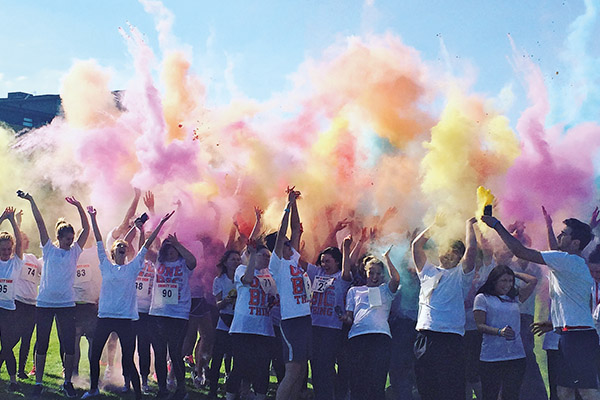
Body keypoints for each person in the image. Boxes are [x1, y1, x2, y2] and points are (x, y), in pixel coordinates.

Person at [481, 210, 599, 400]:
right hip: (569, 334)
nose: (560, 235)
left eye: (564, 234)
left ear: (575, 243)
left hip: (579, 337)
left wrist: (496, 224)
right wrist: (555, 324)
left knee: (588, 392)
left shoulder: (567, 261)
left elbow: (520, 252)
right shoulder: (569, 262)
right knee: (564, 391)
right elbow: (577, 304)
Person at [81, 206, 172, 399]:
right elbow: (98, 240)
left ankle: (137, 393)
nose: (122, 249)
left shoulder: (133, 267)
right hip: (105, 317)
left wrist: (161, 223)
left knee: (129, 360)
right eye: (119, 248)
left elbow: (146, 245)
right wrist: (92, 217)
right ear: (113, 253)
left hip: (126, 319)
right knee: (95, 355)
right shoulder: (105, 265)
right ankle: (93, 390)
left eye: (124, 248)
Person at [19, 192, 90, 398]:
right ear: (59, 238)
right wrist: (32, 200)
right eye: (68, 239)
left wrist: (79, 206)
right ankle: (38, 382)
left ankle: (67, 382)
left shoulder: (75, 251)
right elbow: (40, 222)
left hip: (66, 304)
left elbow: (86, 228)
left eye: (72, 239)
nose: (71, 241)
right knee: (41, 343)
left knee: (68, 344)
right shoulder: (49, 249)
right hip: (45, 303)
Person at [411, 218, 477, 400]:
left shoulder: (460, 275)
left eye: (455, 252)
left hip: (451, 338)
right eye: (446, 249)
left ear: (459, 257)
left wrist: (469, 225)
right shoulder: (427, 271)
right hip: (426, 335)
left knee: (451, 389)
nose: (449, 254)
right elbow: (417, 246)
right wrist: (436, 225)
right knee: (426, 388)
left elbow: (471, 252)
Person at [341, 239, 400, 400]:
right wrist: (344, 317)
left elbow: (396, 279)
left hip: (380, 337)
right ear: (365, 272)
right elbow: (350, 317)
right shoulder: (354, 291)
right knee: (358, 381)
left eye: (378, 273)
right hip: (358, 337)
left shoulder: (386, 290)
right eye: (371, 272)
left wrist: (386, 257)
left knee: (377, 381)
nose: (375, 276)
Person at [473, 264, 537, 400]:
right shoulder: (483, 298)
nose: (507, 285)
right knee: (490, 394)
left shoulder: (514, 298)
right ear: (494, 281)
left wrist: (513, 273)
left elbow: (532, 281)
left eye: (510, 281)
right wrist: (499, 332)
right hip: (491, 356)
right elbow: (480, 325)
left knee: (511, 395)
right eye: (503, 280)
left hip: (515, 356)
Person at [270, 187, 311, 400]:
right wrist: (286, 206)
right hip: (292, 321)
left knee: (302, 370)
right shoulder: (276, 265)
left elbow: (296, 229)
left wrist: (295, 203)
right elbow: (282, 235)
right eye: (285, 244)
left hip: (305, 318)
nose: (289, 245)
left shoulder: (292, 259)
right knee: (293, 370)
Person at [150, 228, 197, 400]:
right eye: (168, 250)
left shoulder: (184, 265)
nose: (171, 253)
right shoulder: (158, 263)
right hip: (158, 312)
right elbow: (144, 249)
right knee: (160, 352)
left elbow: (193, 261)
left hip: (178, 314)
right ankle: (162, 389)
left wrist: (178, 244)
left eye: (174, 250)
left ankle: (181, 389)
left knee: (175, 351)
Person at [224, 243, 276, 400]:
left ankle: (260, 395)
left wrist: (272, 300)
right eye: (263, 255)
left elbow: (273, 294)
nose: (267, 259)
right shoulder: (241, 269)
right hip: (243, 327)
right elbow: (247, 280)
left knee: (262, 366)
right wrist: (252, 255)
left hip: (264, 328)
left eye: (269, 256)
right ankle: (231, 395)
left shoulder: (269, 274)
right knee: (239, 365)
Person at [308, 243, 351, 400]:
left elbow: (347, 270)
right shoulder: (317, 272)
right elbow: (300, 262)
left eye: (328, 261)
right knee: (315, 365)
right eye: (322, 261)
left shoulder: (341, 277)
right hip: (314, 326)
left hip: (332, 328)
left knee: (326, 365)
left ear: (337, 262)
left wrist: (346, 248)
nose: (324, 264)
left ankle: (331, 395)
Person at [207, 249, 241, 397]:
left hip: (239, 320)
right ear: (226, 263)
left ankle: (233, 389)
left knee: (236, 358)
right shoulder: (219, 280)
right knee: (217, 357)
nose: (236, 262)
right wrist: (227, 300)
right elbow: (218, 304)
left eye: (238, 259)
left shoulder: (242, 278)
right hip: (224, 320)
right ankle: (213, 389)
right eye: (233, 259)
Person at [0, 206, 24, 391]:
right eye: (3, 249)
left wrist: (13, 221)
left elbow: (20, 242)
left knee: (7, 346)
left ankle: (13, 380)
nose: (6, 252)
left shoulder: (16, 262)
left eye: (9, 249)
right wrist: (2, 218)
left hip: (9, 310)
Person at [13, 231, 42, 379]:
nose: (27, 241)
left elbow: (43, 266)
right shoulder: (14, 259)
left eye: (27, 238)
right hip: (18, 302)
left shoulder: (32, 258)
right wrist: (16, 222)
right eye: (23, 239)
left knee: (27, 338)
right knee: (13, 337)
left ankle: (21, 370)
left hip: (32, 304)